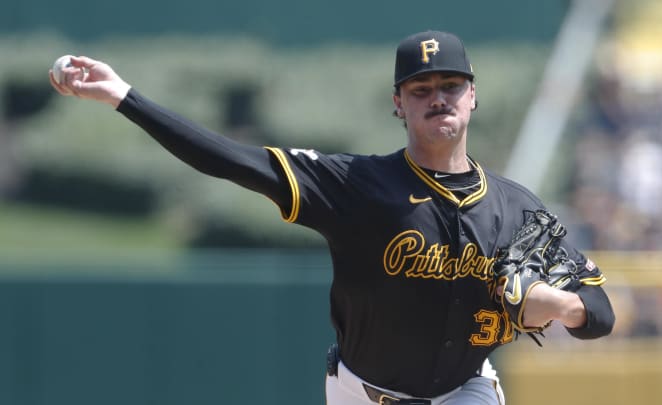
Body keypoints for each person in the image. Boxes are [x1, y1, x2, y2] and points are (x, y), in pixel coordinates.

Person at [49, 30, 614, 405]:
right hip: (360, 391)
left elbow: (601, 310)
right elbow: (229, 159)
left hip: (464, 389)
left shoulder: (517, 209)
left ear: (472, 97)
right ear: (399, 103)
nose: (437, 97)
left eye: (450, 85)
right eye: (421, 89)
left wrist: (561, 305)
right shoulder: (356, 184)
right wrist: (125, 97)